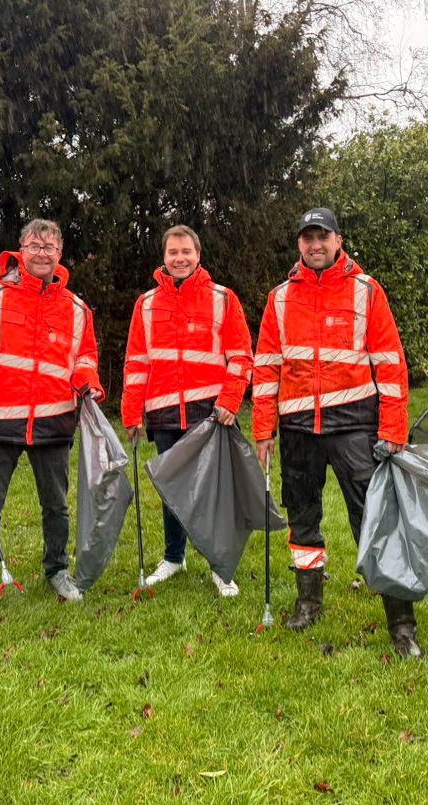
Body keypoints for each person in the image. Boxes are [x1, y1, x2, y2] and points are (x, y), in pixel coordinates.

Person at [252, 208, 417, 656]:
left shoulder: (367, 292)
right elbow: (266, 367)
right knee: (303, 515)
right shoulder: (280, 298)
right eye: (307, 237)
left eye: (322, 236)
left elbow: (390, 364)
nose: (314, 244)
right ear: (299, 245)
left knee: (374, 518)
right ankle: (309, 602)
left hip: (354, 426)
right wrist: (264, 428)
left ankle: (401, 623)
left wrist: (393, 427)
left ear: (338, 240)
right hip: (298, 428)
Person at [0, 219, 103, 612]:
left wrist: (88, 382)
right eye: (35, 245)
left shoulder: (77, 308)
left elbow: (84, 358)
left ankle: (57, 570)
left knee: (57, 505)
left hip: (54, 422)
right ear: (20, 249)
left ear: (60, 254)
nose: (42, 253)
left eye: (50, 247)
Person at [121, 225, 254, 596]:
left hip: (209, 414)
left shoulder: (223, 299)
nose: (180, 259)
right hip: (163, 413)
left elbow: (241, 356)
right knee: (172, 491)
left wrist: (230, 400)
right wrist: (131, 413)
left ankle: (220, 566)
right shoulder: (146, 304)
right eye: (173, 253)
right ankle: (173, 558)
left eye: (186, 252)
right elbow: (136, 364)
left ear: (199, 255)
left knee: (213, 494)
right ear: (163, 258)